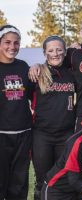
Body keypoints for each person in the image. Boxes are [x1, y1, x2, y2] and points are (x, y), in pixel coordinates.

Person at [31, 35, 76, 200]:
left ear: (65, 51)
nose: (55, 53)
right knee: (42, 179)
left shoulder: (72, 73)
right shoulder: (37, 73)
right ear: (44, 53)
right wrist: (35, 66)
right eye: (50, 50)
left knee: (63, 179)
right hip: (42, 135)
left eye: (59, 49)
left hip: (66, 134)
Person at [0, 25, 33, 199]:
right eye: (7, 42)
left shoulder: (23, 67)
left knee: (19, 185)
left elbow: (34, 93)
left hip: (23, 133)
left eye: (16, 43)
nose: (12, 47)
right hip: (1, 134)